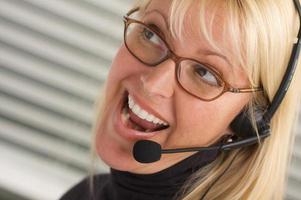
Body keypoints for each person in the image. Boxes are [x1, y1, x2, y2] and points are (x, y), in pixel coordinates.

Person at [60, 0, 301, 199]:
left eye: (205, 73)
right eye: (152, 35)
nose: (153, 84)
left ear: (249, 118)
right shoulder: (86, 194)